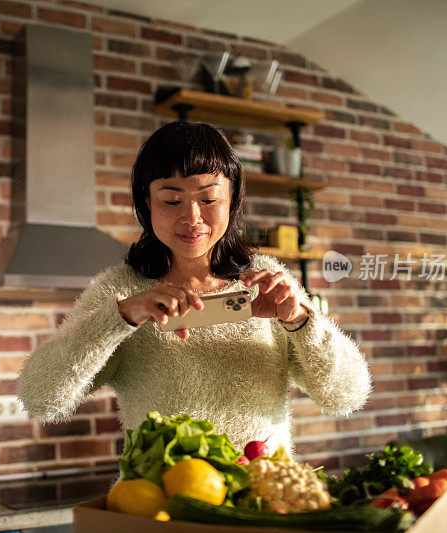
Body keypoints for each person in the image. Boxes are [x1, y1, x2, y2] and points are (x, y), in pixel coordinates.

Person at [18, 121, 370, 452]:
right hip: (162, 502)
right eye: (171, 200)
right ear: (146, 203)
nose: (192, 218)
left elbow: (346, 396)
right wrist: (120, 318)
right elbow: (40, 397)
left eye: (208, 199)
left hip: (260, 500)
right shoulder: (121, 290)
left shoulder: (267, 280)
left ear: (232, 200)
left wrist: (301, 320)